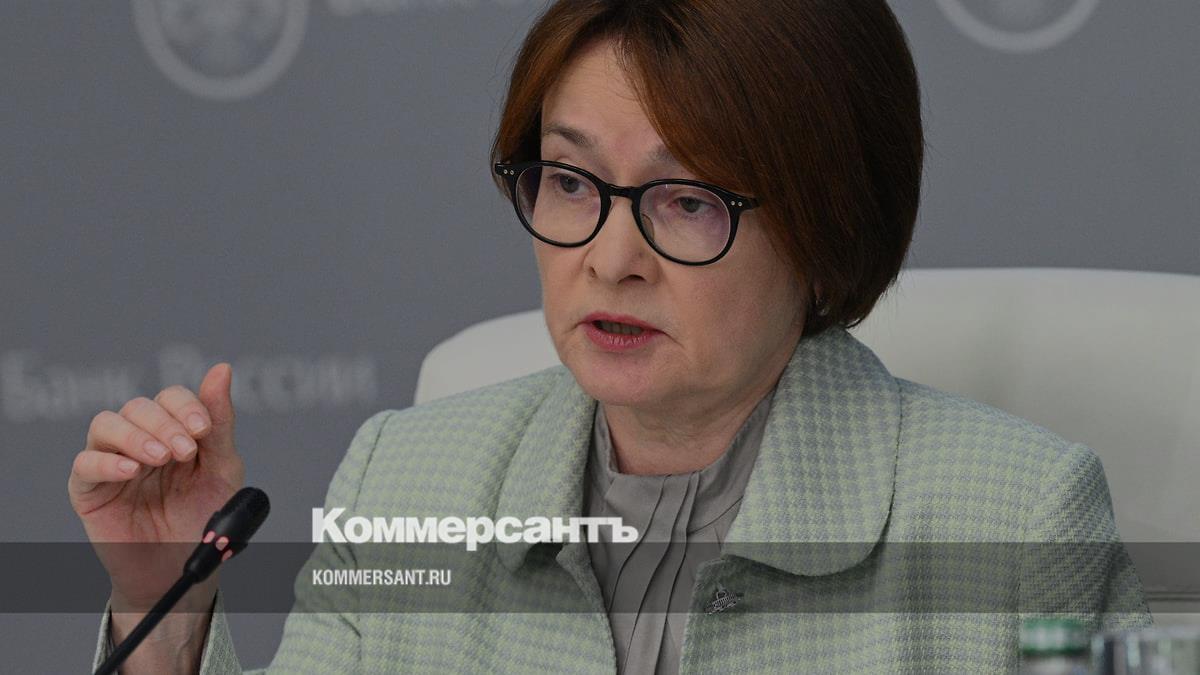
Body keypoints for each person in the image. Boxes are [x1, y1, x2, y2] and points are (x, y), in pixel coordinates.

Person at [71, 1, 1151, 673]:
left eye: (686, 199)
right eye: (572, 180)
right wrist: (167, 606)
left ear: (828, 229)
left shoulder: (1021, 518)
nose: (610, 256)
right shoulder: (407, 478)